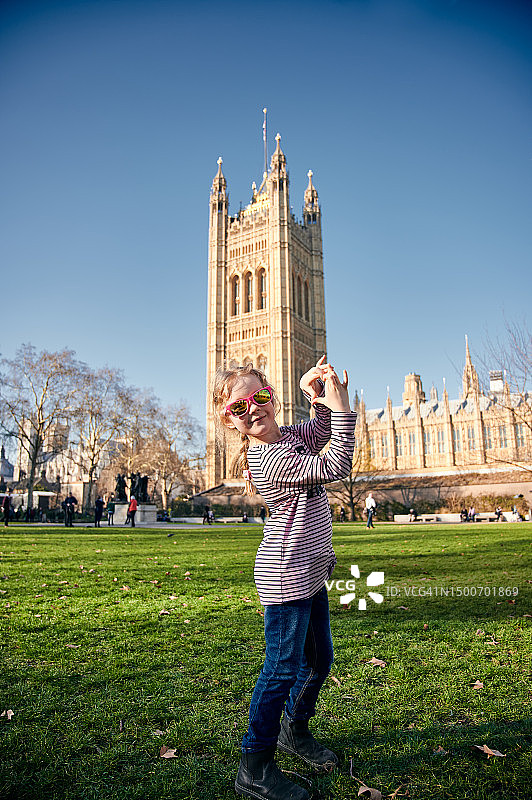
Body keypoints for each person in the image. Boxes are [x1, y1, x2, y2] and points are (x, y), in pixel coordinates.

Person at [212, 355, 356, 800]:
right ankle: (254, 765)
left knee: (319, 660)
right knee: (280, 670)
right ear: (230, 420)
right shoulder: (265, 458)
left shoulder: (289, 436)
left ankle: (295, 729)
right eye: (240, 407)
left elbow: (320, 433)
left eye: (260, 396)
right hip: (286, 578)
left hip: (310, 573)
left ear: (271, 396)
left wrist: (315, 396)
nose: (253, 408)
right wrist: (344, 407)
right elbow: (335, 464)